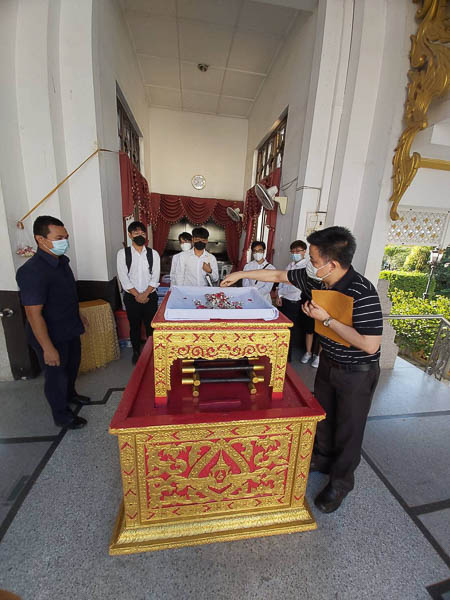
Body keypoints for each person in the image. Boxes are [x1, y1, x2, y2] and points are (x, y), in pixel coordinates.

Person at [221, 226, 383, 513]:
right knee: (323, 416)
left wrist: (327, 319)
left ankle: (341, 483)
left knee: (349, 428)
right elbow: (277, 276)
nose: (309, 263)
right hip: (329, 362)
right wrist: (240, 274)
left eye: (314, 259)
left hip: (357, 371)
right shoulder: (315, 278)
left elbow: (370, 345)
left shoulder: (363, 291)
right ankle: (322, 458)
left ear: (332, 264)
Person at [16, 215, 91, 429]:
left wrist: (78, 315)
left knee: (72, 367)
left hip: (69, 328)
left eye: (66, 237)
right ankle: (62, 415)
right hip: (50, 335)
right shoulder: (32, 271)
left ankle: (71, 395)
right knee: (56, 377)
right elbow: (33, 314)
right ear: (40, 239)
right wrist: (48, 348)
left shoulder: (62, 262)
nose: (64, 241)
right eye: (59, 238)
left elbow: (67, 295)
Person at [117, 221, 160, 364]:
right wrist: (137, 295)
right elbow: (124, 278)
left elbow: (155, 277)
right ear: (130, 235)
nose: (140, 235)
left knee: (151, 326)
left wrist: (145, 294)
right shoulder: (123, 254)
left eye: (142, 233)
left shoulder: (153, 254)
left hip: (150, 296)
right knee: (134, 326)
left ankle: (151, 353)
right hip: (131, 297)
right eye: (136, 233)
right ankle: (136, 352)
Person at [275, 240, 308, 361]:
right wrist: (279, 295)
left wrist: (282, 293)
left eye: (298, 251)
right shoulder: (290, 265)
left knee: (290, 330)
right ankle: (279, 353)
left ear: (304, 251)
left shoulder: (306, 267)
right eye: (293, 251)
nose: (295, 254)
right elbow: (281, 280)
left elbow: (295, 289)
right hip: (284, 300)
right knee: (281, 327)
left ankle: (286, 357)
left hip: (294, 302)